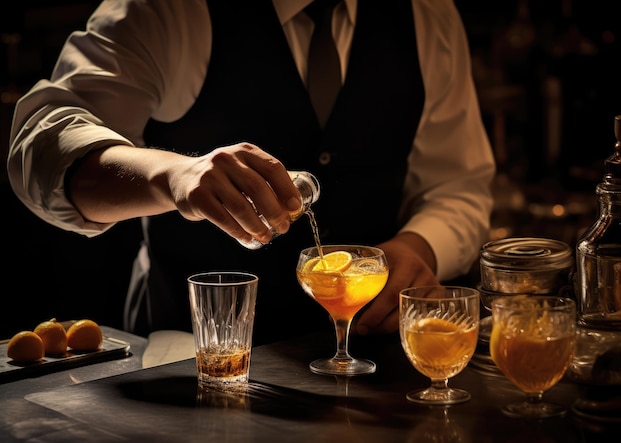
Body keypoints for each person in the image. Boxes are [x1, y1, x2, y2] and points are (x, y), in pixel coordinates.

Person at [7, 0, 495, 345]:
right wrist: (175, 177)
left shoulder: (427, 13)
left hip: (372, 371)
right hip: (187, 360)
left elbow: (459, 185)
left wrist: (419, 246)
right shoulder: (171, 9)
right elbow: (42, 146)